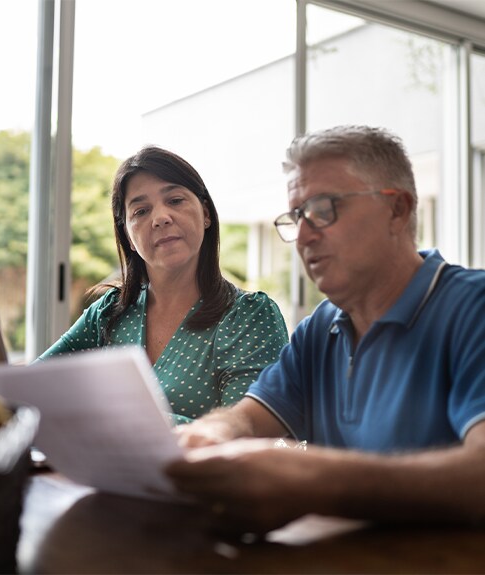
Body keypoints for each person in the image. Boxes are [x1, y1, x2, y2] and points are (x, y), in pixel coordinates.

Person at [166, 125, 485, 534]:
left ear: (397, 210)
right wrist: (210, 433)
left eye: (323, 208)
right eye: (297, 216)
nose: (303, 236)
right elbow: (248, 418)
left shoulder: (471, 308)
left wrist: (314, 481)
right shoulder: (320, 326)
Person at [38, 145, 288, 424]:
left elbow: (246, 436)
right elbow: (35, 386)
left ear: (206, 214)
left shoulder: (249, 316)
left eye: (176, 200)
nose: (160, 218)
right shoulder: (109, 313)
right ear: (129, 238)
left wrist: (114, 416)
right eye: (141, 211)